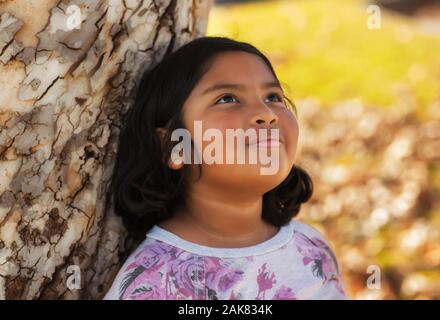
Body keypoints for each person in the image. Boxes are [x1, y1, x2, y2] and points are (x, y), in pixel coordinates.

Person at [103, 36, 346, 300]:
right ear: (174, 146)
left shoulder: (311, 248)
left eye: (273, 96)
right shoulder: (154, 283)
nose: (266, 113)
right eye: (227, 98)